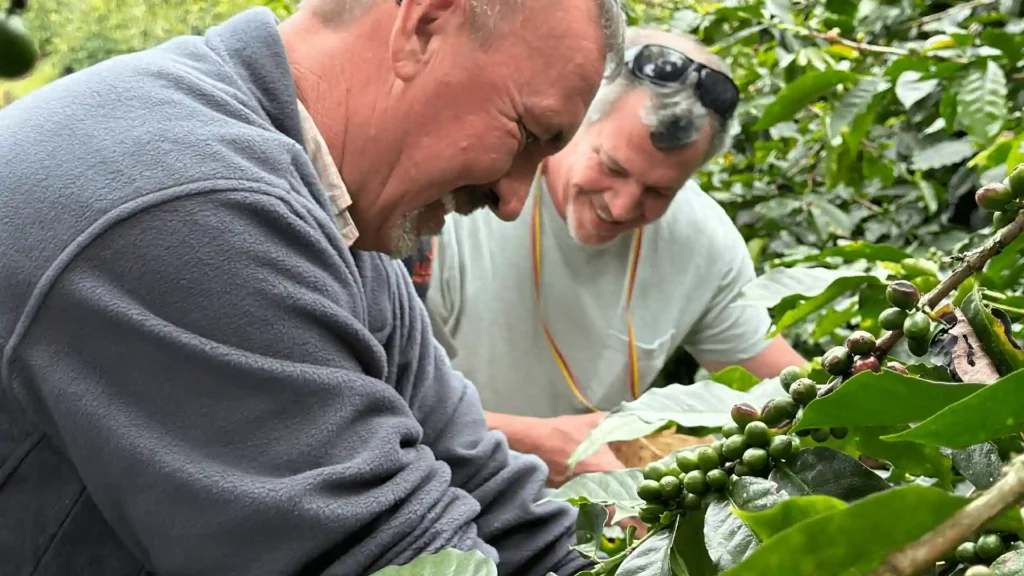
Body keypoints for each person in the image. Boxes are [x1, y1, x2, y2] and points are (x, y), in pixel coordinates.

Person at [0, 1, 625, 575]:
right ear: (424, 23)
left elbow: (481, 488)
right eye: (525, 134)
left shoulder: (345, 230)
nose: (515, 202)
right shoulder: (192, 205)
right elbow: (379, 556)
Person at [415, 26, 807, 486]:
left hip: (591, 521)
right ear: (576, 116)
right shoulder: (469, 196)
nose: (622, 206)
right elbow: (375, 398)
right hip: (440, 487)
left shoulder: (704, 244)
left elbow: (787, 390)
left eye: (660, 191)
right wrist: (537, 441)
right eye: (613, 167)